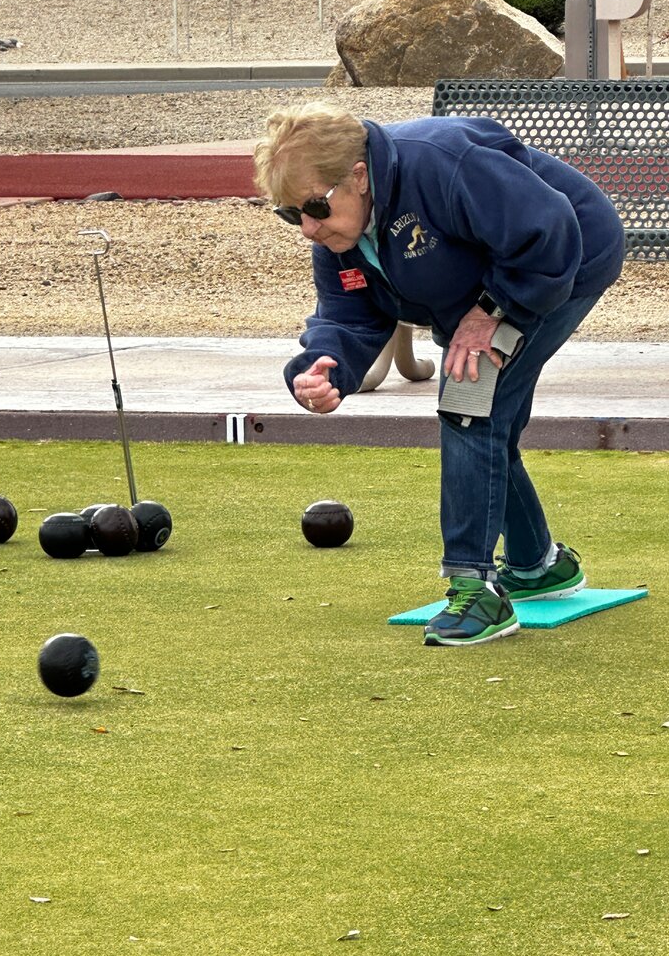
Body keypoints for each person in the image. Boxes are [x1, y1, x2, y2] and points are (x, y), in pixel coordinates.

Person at [253, 101, 625, 647]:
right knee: (486, 417)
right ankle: (537, 565)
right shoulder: (339, 233)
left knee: (470, 401)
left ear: (358, 177)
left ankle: (476, 590)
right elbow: (347, 314)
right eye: (291, 215)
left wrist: (493, 308)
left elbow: (547, 230)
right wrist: (323, 365)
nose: (308, 229)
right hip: (485, 286)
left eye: (313, 207)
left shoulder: (443, 163)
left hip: (563, 261)